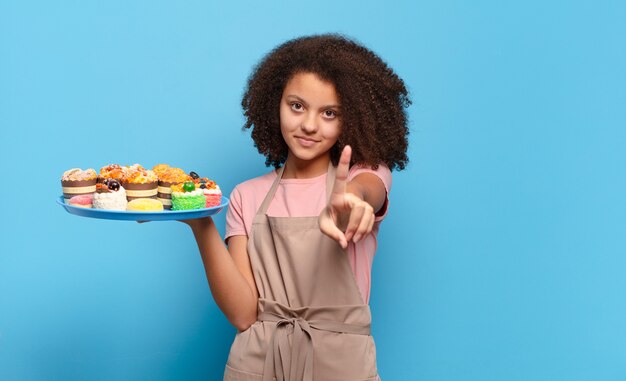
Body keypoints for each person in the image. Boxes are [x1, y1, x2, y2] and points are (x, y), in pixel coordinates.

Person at [184, 34, 410, 381]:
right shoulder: (246, 195)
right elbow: (244, 314)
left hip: (341, 364)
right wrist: (200, 224)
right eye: (297, 105)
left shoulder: (364, 176)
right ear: (276, 104)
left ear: (350, 120)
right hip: (257, 363)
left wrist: (353, 201)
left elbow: (367, 192)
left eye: (329, 113)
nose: (308, 125)